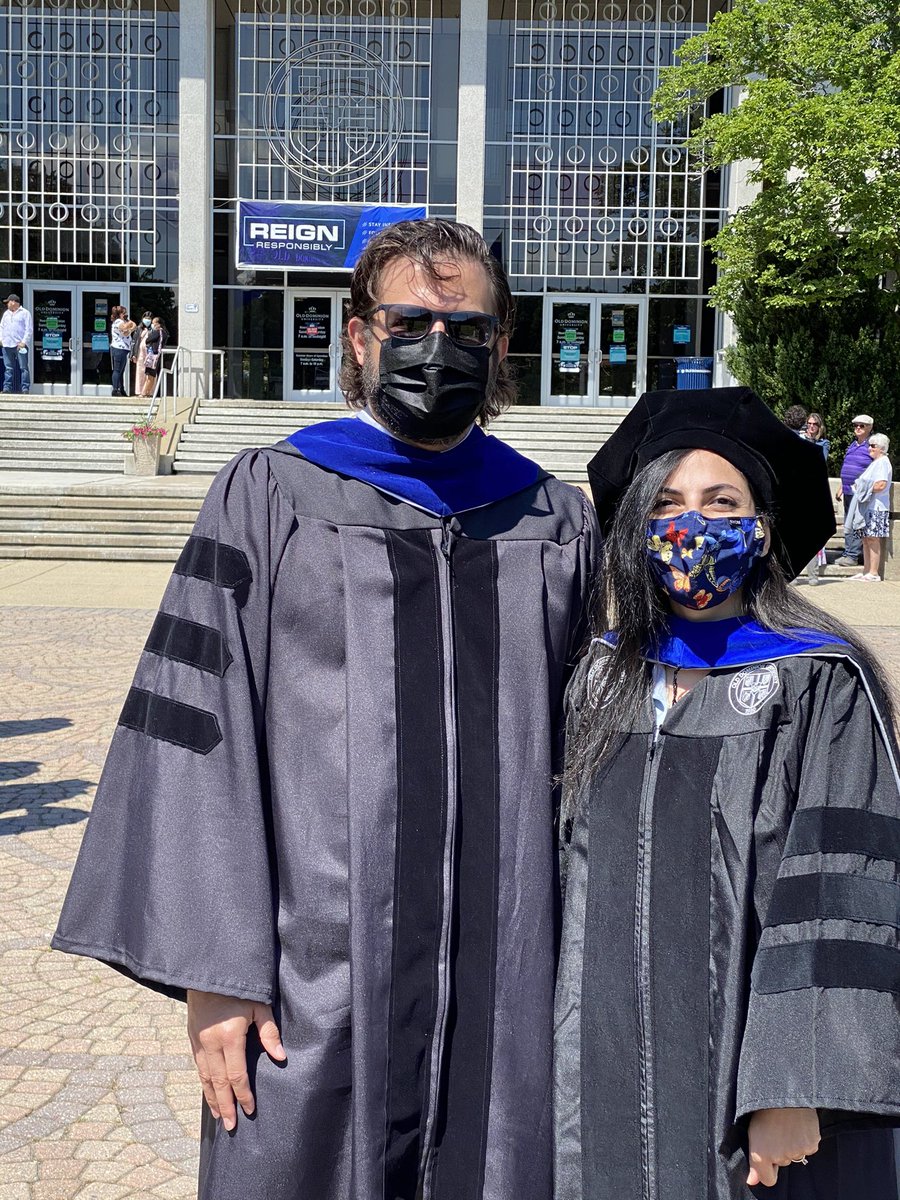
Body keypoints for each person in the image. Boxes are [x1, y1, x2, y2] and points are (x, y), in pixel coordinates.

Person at [53, 219, 597, 1200]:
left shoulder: (555, 521)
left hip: (509, 977)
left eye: (467, 329)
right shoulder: (273, 494)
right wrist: (216, 970)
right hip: (315, 976)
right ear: (358, 336)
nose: (438, 347)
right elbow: (198, 733)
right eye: (410, 323)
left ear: (501, 346)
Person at [555, 387, 900, 1200]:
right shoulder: (600, 676)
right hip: (600, 1063)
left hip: (757, 1086)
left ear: (763, 529)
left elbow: (843, 894)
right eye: (666, 504)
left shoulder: (816, 681)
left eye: (722, 503)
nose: (692, 524)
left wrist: (795, 1082)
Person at [846, 432, 893, 582]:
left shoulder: (883, 462)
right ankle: (866, 570)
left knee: (873, 538)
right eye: (869, 445)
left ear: (881, 448)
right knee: (865, 539)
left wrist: (863, 488)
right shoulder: (875, 462)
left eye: (873, 446)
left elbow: (881, 485)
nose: (869, 448)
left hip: (877, 507)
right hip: (867, 507)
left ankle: (873, 572)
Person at [835, 414, 874, 566]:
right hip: (847, 490)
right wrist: (841, 487)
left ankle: (852, 555)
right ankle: (848, 552)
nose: (858, 428)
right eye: (856, 425)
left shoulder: (871, 446)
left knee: (857, 522)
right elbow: (848, 466)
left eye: (861, 426)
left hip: (860, 492)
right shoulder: (853, 445)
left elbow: (874, 468)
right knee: (848, 522)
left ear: (869, 428)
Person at [802, 411, 830, 585]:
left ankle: (813, 575)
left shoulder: (823, 444)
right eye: (809, 424)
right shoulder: (799, 439)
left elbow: (819, 462)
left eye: (815, 424)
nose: (811, 427)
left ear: (820, 427)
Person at [0, 293, 32, 394]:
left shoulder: (25, 313)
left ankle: (25, 388)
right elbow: (1, 327)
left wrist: (23, 342)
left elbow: (29, 329)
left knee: (23, 368)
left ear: (14, 302)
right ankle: (7, 388)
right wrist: (1, 339)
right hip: (7, 345)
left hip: (20, 345)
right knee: (8, 368)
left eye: (8, 302)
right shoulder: (6, 314)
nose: (7, 304)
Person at [110, 305, 136, 396]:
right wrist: (129, 323)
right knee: (117, 370)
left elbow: (132, 327)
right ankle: (115, 390)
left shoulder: (122, 322)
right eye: (124, 313)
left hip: (123, 349)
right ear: (120, 314)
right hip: (119, 348)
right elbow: (125, 328)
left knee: (121, 371)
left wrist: (130, 328)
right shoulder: (118, 322)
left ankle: (121, 389)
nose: (126, 315)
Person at [140, 316, 168, 399]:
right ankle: (148, 393)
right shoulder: (164, 333)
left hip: (153, 356)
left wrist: (149, 336)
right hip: (158, 356)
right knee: (152, 375)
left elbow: (148, 340)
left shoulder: (157, 332)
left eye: (154, 323)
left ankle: (144, 393)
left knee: (149, 375)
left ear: (158, 324)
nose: (152, 325)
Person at [132, 312, 153, 396]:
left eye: (149, 319)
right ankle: (139, 391)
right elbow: (134, 341)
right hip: (140, 352)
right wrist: (133, 354)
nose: (147, 320)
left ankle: (149, 392)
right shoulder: (139, 328)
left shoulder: (153, 329)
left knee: (149, 373)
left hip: (150, 353)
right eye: (146, 318)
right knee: (140, 372)